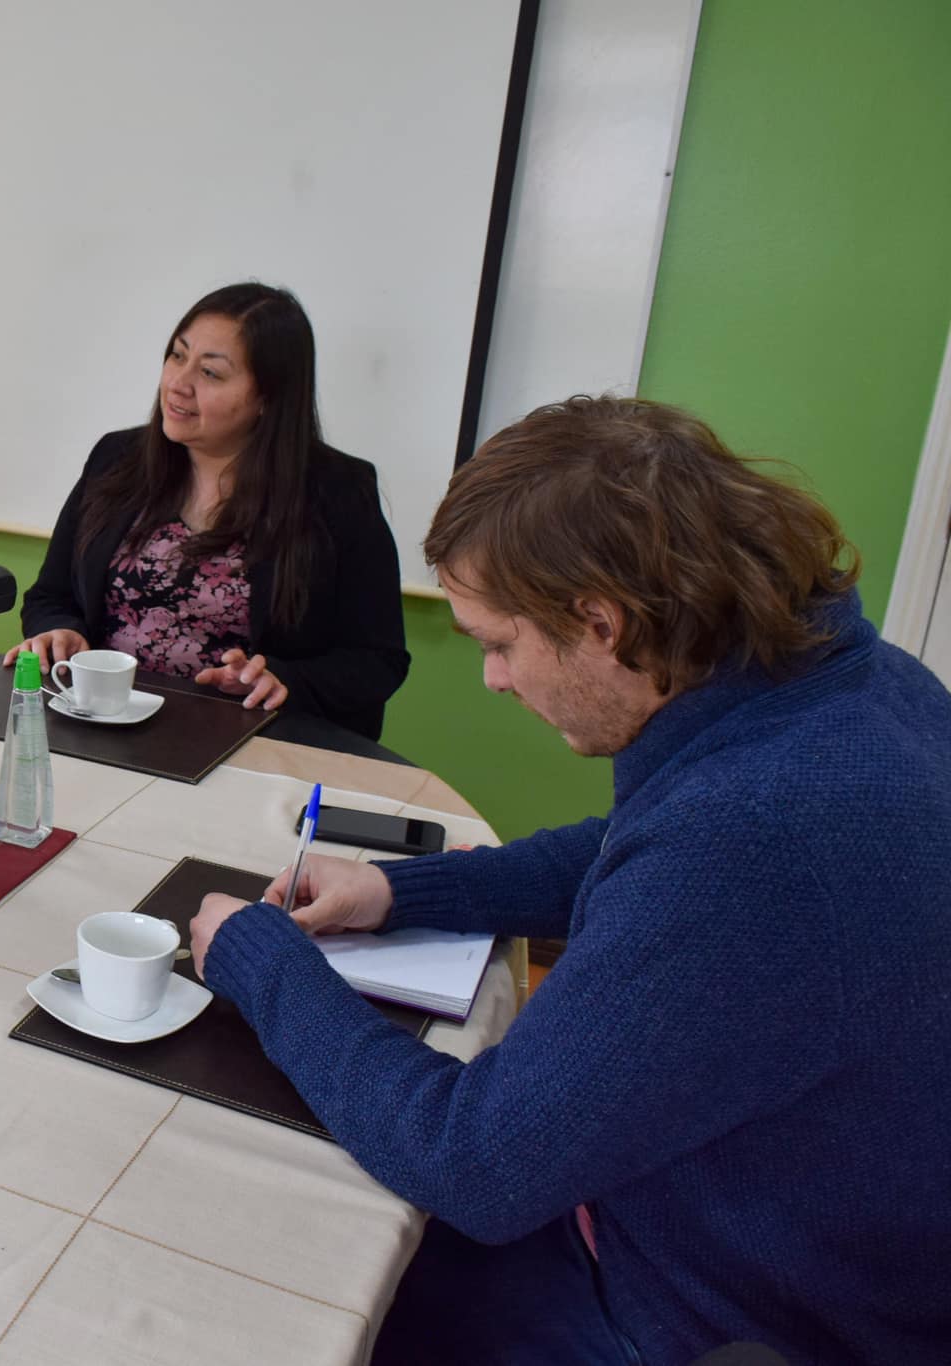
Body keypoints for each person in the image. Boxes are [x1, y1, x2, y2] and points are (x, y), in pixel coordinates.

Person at [188, 396, 951, 1364]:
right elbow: (632, 844)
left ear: (599, 621)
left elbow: (475, 1163)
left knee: (273, 1278)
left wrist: (261, 965)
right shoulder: (854, 690)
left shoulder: (751, 835)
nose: (492, 681)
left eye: (498, 644)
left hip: (710, 1311)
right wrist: (400, 893)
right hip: (778, 1237)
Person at [6, 283, 409, 739]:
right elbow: (50, 596)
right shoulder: (117, 459)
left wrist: (280, 678)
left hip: (252, 746)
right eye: (178, 356)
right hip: (105, 728)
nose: (179, 383)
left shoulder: (338, 493)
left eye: (211, 373)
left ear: (267, 399)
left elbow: (378, 660)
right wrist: (59, 631)